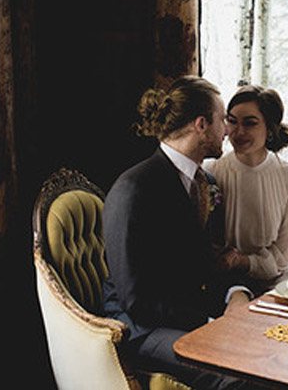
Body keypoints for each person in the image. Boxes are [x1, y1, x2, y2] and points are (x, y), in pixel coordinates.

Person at [101, 75, 254, 390]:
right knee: (240, 376)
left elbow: (206, 261)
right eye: (222, 120)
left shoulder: (203, 184)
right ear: (201, 125)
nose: (227, 130)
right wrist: (211, 323)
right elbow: (135, 300)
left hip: (187, 313)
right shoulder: (134, 189)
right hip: (142, 328)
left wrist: (234, 294)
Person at [205, 84, 288, 293]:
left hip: (278, 281)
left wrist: (242, 261)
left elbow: (285, 257)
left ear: (270, 128)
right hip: (226, 281)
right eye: (232, 121)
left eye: (250, 123)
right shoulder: (211, 171)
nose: (238, 132)